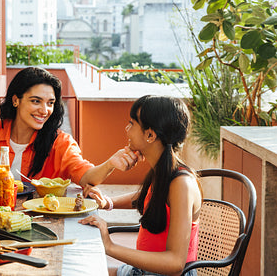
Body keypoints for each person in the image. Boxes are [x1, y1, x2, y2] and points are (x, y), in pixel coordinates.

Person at [0, 67, 137, 190]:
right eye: (35, 101)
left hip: (40, 224)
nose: (44, 110)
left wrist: (110, 164)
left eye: (50, 103)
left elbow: (87, 177)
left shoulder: (60, 142)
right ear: (16, 100)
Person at [79, 95, 202, 276]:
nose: (127, 129)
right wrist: (107, 203)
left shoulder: (181, 184)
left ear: (150, 135)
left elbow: (175, 264)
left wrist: (110, 246)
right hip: (143, 271)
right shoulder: (163, 171)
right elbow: (151, 197)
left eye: (132, 123)